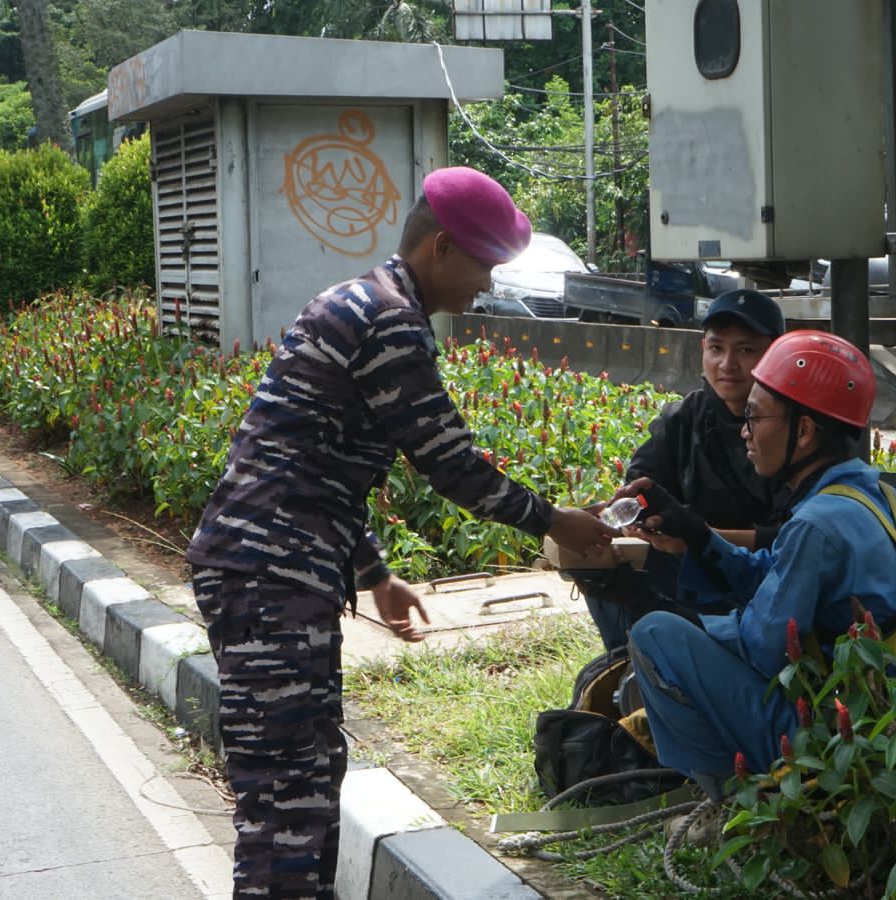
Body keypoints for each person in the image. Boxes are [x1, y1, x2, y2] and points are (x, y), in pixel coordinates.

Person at [186, 166, 614, 899]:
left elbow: (308, 464)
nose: (487, 284)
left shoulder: (354, 300)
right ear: (442, 250)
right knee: (286, 803)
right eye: (484, 265)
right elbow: (448, 461)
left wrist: (375, 575)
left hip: (274, 569)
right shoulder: (390, 321)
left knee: (313, 778)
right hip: (269, 578)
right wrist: (554, 522)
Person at [619, 330, 896, 793]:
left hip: (827, 734)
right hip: (882, 721)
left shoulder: (817, 523)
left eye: (754, 416)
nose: (745, 431)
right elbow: (775, 573)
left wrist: (699, 628)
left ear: (803, 432)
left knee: (655, 636)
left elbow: (765, 648)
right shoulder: (879, 497)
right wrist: (697, 535)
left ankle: (730, 799)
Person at [580, 288, 787, 650]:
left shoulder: (794, 425)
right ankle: (627, 664)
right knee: (599, 560)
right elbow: (641, 482)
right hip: (687, 560)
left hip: (766, 576)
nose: (727, 364)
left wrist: (702, 537)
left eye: (746, 350)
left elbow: (792, 538)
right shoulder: (685, 417)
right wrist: (635, 517)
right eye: (716, 348)